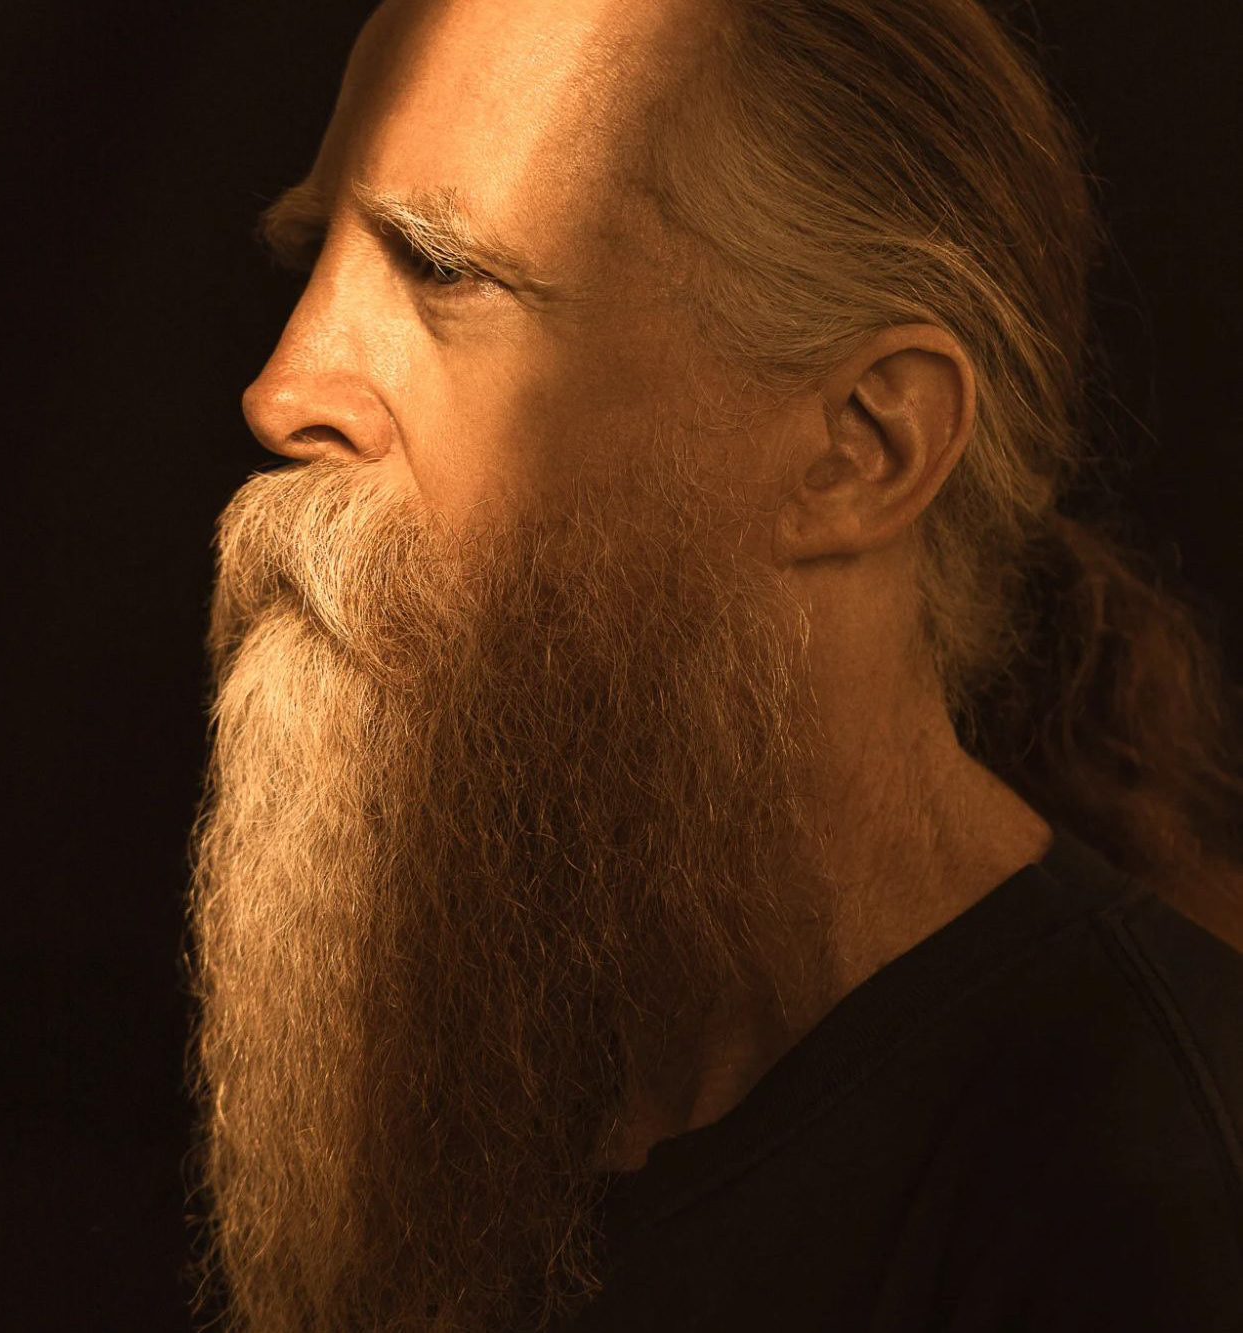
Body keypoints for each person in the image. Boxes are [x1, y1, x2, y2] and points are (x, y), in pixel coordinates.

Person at [184, 0, 1243, 1329]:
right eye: (313, 253)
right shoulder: (494, 1060)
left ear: (862, 447)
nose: (283, 389)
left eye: (446, 270)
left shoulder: (1157, 1190)